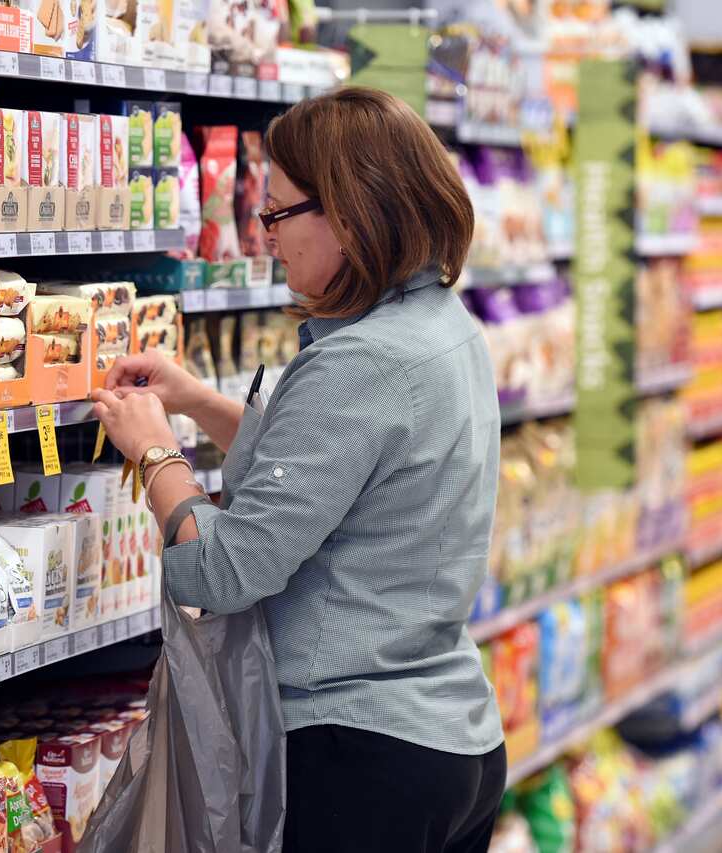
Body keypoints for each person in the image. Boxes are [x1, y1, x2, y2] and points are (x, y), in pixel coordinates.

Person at [91, 86, 506, 853]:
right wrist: (193, 399)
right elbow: (337, 466)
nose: (264, 234)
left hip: (360, 758)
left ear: (350, 212)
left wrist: (156, 454)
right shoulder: (443, 325)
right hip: (455, 739)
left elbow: (225, 569)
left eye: (277, 213)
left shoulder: (361, 361)